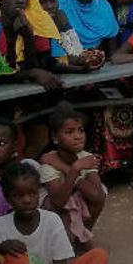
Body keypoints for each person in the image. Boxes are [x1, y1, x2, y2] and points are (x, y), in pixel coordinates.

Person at [0, 163, 109, 264]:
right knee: (18, 259)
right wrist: (1, 249)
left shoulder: (52, 220)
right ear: (8, 198)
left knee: (99, 255)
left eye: (32, 193)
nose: (27, 200)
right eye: (19, 195)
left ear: (38, 193)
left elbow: (61, 261)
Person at [38, 102, 106, 248]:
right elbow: (58, 202)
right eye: (69, 132)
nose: (77, 136)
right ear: (55, 137)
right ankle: (63, 240)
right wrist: (74, 170)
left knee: (102, 190)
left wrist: (70, 169)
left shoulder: (85, 157)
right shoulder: (48, 162)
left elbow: (98, 196)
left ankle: (80, 236)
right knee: (53, 204)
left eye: (80, 130)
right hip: (55, 208)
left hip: (73, 199)